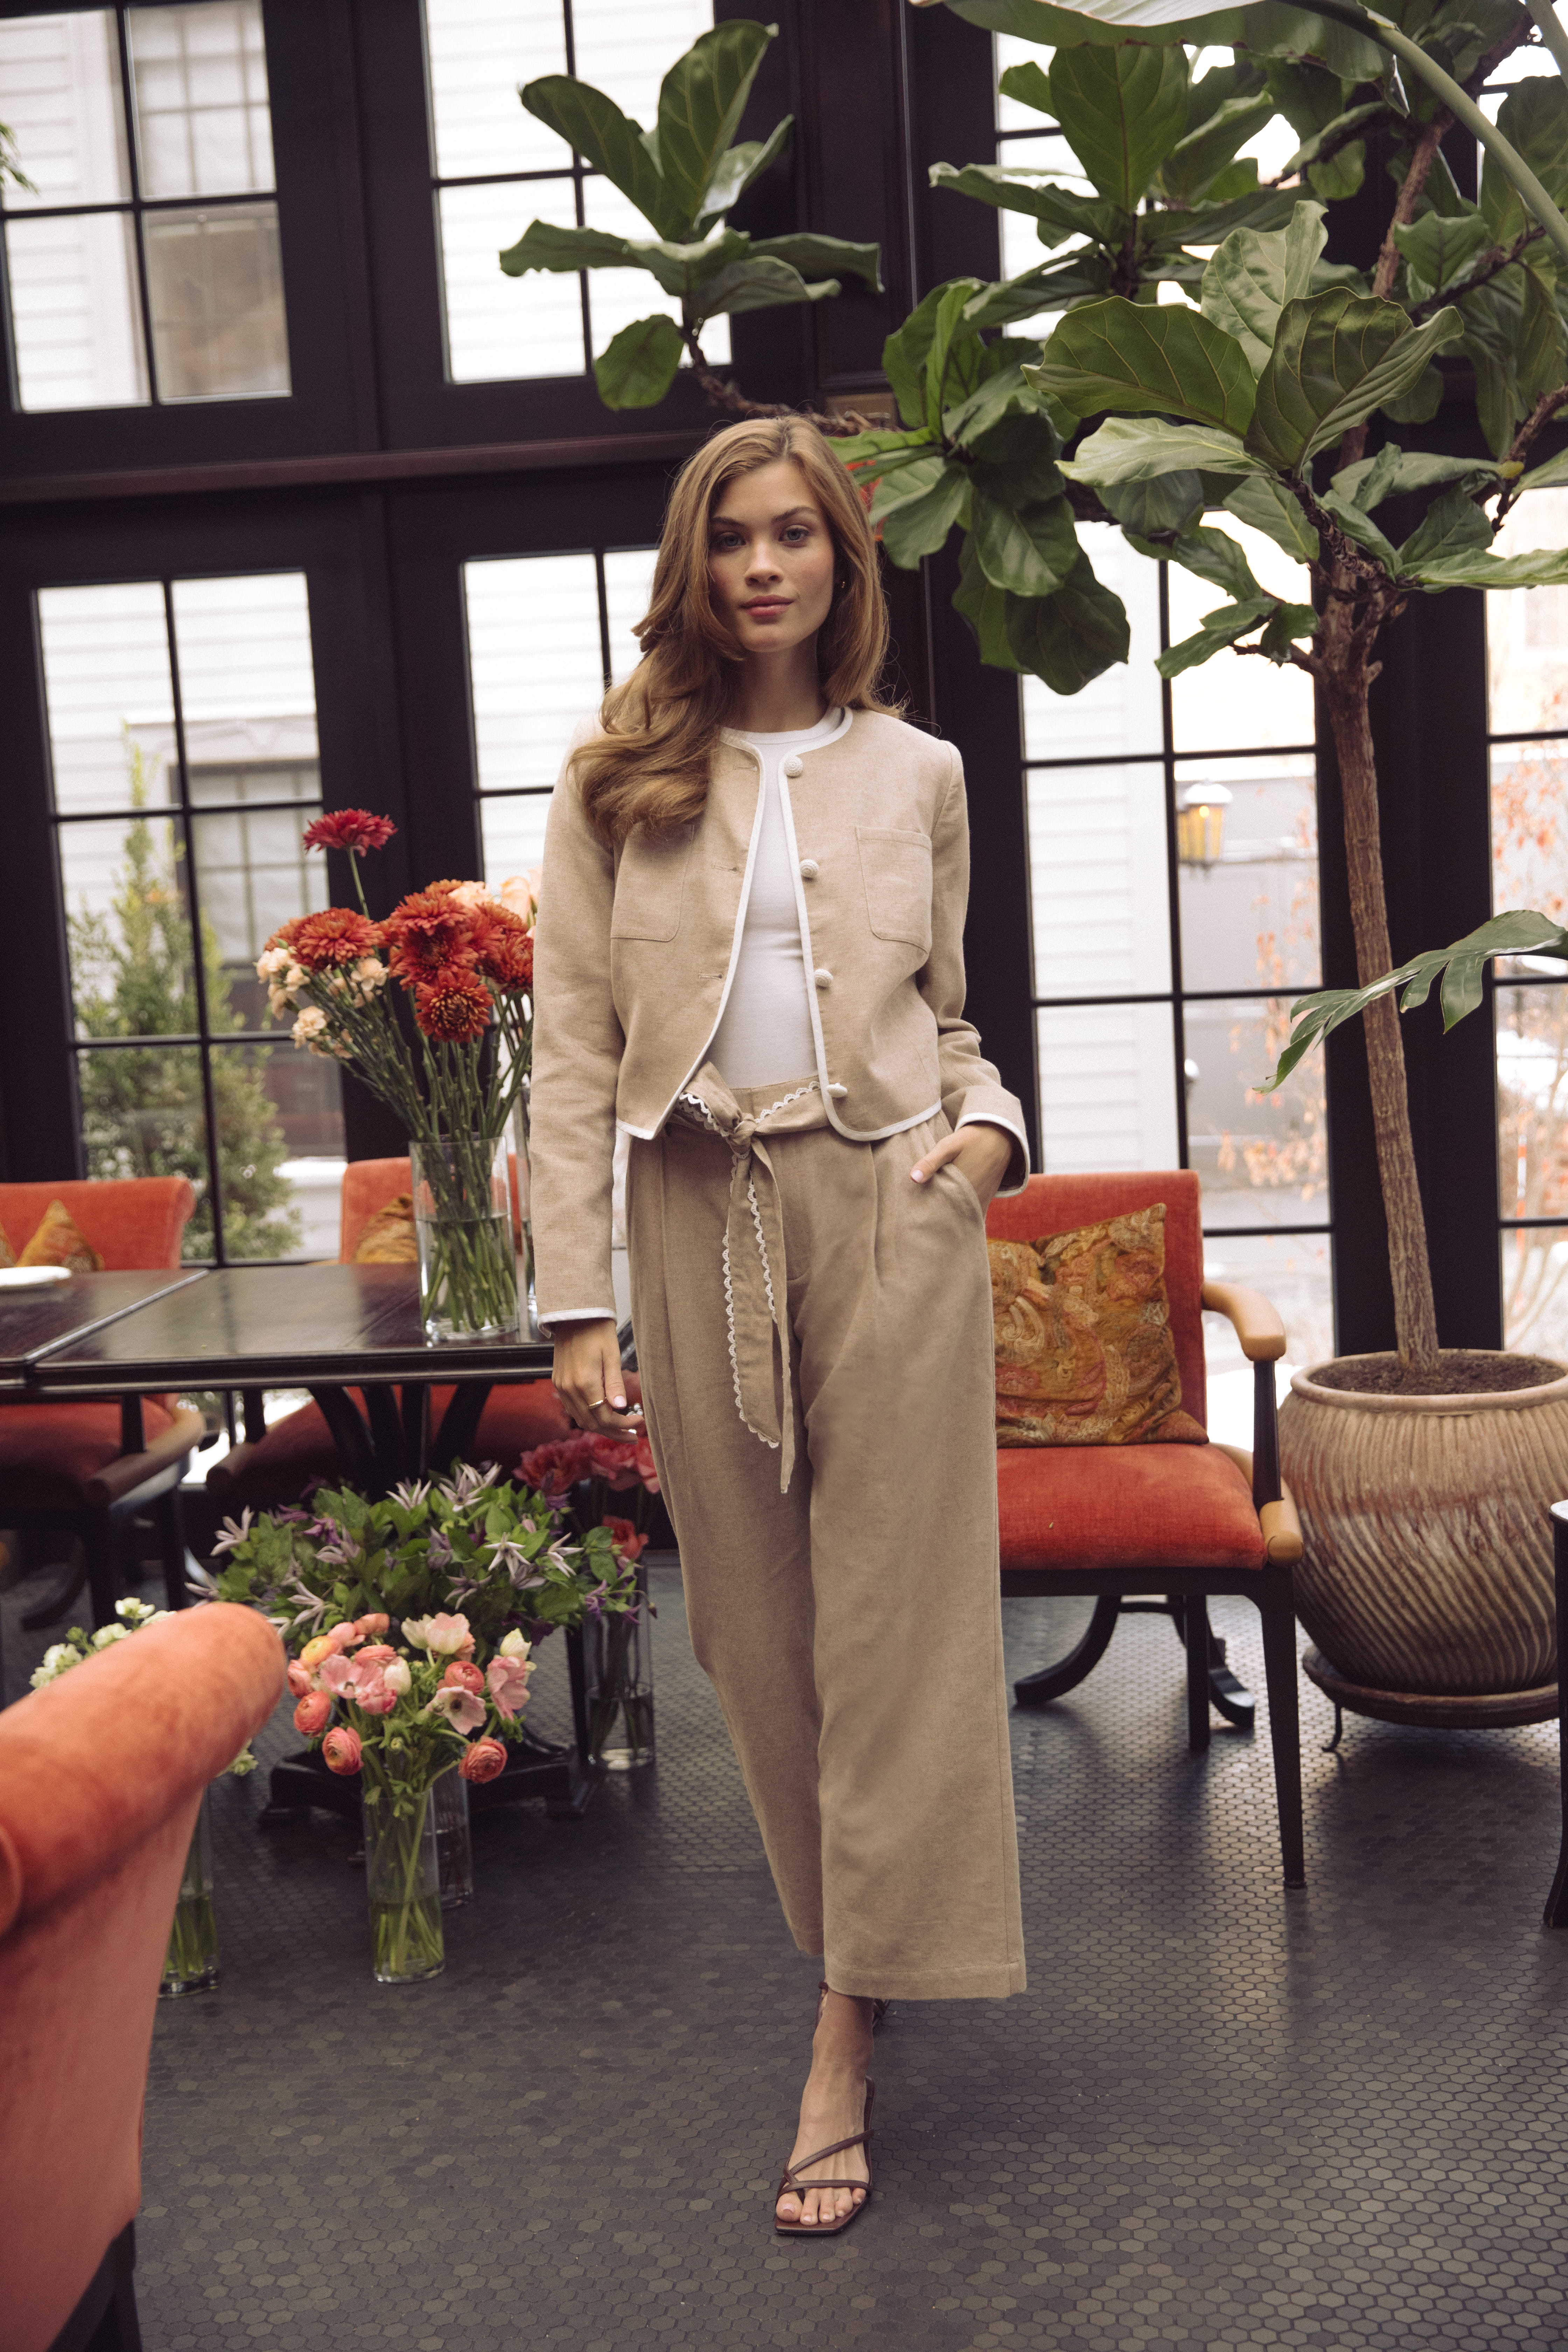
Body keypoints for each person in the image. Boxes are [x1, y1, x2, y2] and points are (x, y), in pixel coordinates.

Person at [530, 415, 1028, 2236]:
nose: (762, 564)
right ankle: (861, 1935)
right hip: (692, 1220)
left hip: (892, 1211)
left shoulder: (922, 774)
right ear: (698, 561)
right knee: (749, 1632)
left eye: (794, 534)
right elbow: (571, 1048)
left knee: (893, 1628)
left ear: (841, 563)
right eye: (732, 535)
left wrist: (983, 1139)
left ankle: (845, 2030)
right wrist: (575, 1295)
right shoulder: (614, 776)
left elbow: (955, 1022)